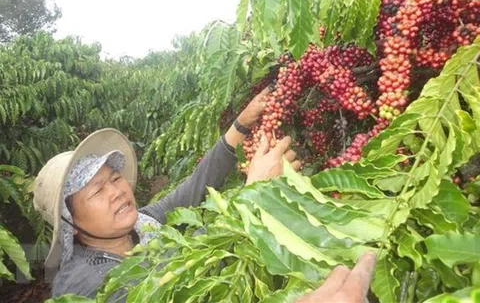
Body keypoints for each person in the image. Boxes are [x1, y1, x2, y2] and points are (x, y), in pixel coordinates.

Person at [34, 87, 376, 302]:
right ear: (71, 223)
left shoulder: (144, 225)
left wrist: (239, 127)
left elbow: (195, 186)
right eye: (96, 189)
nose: (117, 191)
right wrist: (252, 193)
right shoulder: (80, 286)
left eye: (115, 178)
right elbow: (172, 276)